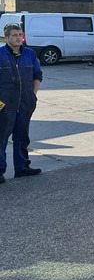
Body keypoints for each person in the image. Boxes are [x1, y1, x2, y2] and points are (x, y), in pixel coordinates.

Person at [0, 23, 42, 184]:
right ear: (6, 38)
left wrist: (32, 94)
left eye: (20, 34)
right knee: (1, 138)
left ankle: (22, 167)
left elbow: (37, 74)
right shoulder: (1, 54)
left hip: (25, 103)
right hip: (5, 104)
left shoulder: (30, 54)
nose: (18, 38)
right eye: (15, 35)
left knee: (22, 137)